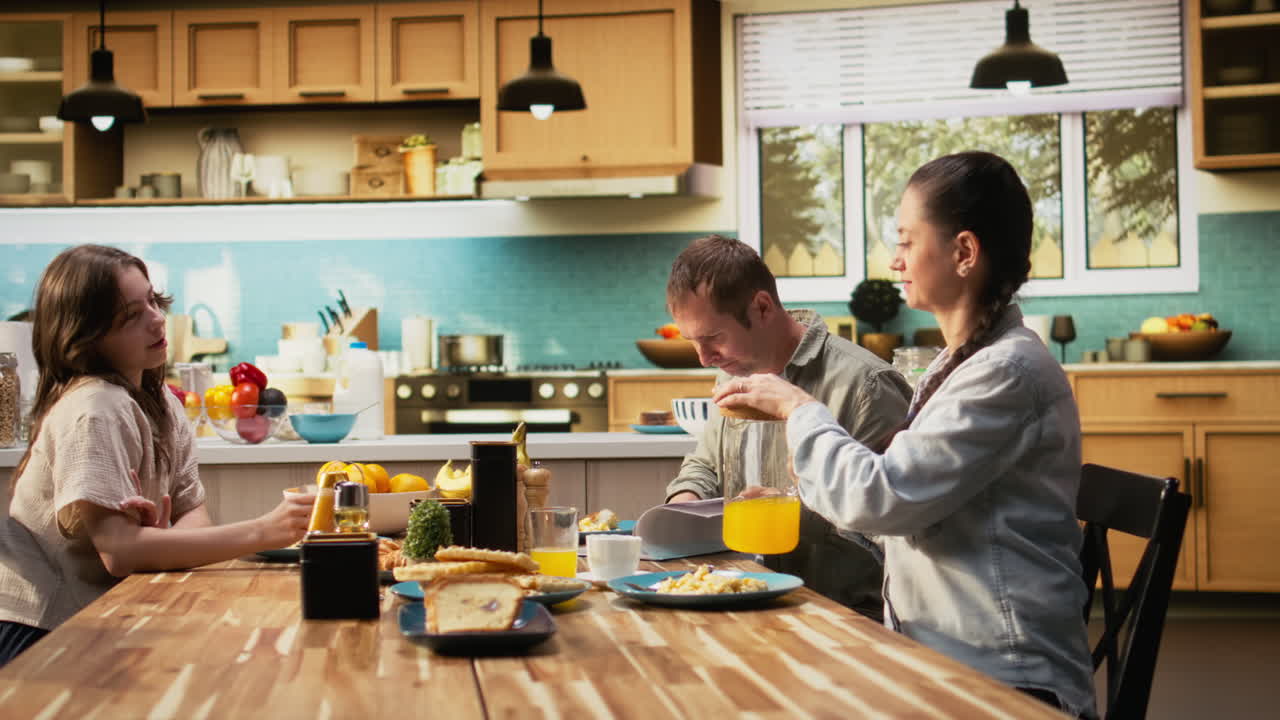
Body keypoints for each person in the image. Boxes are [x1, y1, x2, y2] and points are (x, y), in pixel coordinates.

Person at [714, 152, 1096, 717]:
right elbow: (909, 518)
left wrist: (799, 408)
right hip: (941, 661)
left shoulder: (1006, 373)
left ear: (964, 252)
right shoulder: (964, 364)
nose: (894, 262)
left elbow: (882, 496)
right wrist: (809, 488)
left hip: (1006, 686)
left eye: (906, 241)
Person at [0, 245, 313, 668]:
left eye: (153, 300)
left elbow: (193, 514)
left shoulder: (161, 401)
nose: (157, 318)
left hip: (94, 617)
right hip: (36, 629)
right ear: (85, 340)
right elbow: (122, 553)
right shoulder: (95, 408)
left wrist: (162, 542)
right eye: (131, 315)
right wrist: (267, 530)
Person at [663, 234, 913, 620]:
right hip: (748, 599)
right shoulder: (733, 371)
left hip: (845, 619)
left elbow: (898, 525)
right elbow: (706, 464)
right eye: (693, 342)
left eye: (713, 338)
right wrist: (684, 508)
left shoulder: (866, 385)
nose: (703, 358)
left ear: (762, 307)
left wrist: (798, 509)